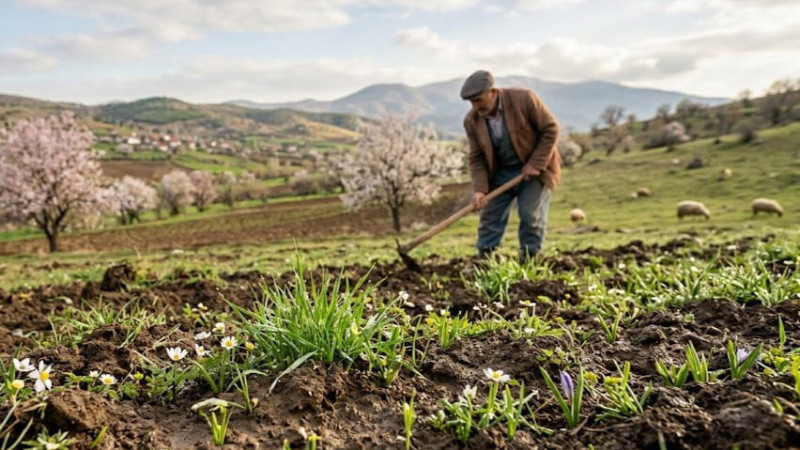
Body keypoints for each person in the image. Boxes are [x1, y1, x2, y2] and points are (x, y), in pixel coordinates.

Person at [460, 69, 561, 262]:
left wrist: (536, 163)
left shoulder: (524, 99)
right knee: (490, 215)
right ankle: (484, 258)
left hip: (534, 170)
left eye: (479, 100)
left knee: (530, 216)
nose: (475, 106)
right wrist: (480, 189)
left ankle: (530, 257)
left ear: (493, 92)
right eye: (472, 102)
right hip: (500, 172)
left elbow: (550, 129)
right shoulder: (472, 120)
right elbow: (477, 157)